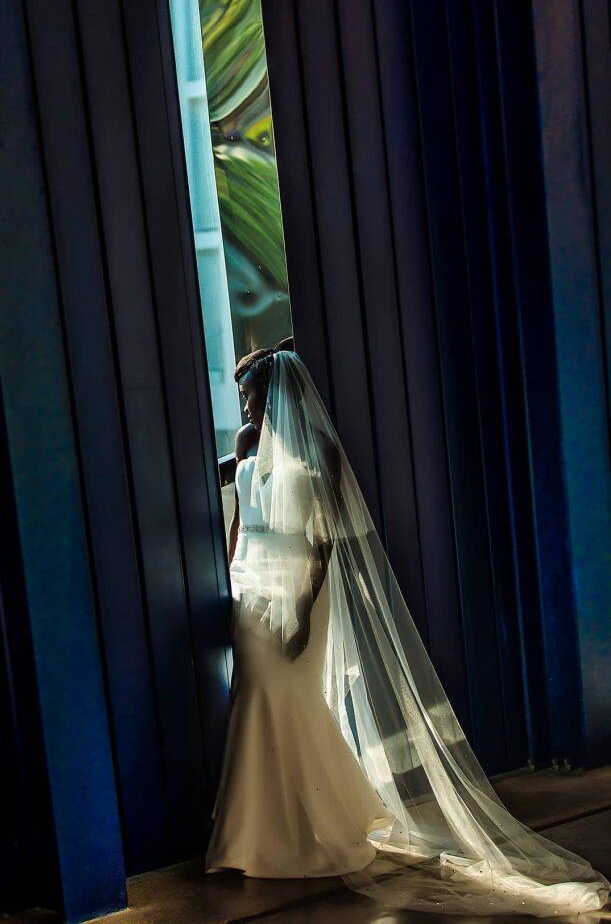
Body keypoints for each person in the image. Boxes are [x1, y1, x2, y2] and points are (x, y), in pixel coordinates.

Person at [205, 344, 609, 918]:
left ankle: (310, 830)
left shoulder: (317, 450)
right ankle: (256, 831)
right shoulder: (246, 445)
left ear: (277, 394)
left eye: (250, 394)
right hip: (252, 595)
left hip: (299, 598)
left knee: (287, 704)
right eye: (241, 395)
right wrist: (232, 584)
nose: (244, 405)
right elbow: (241, 525)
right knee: (254, 706)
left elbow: (323, 545)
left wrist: (298, 614)